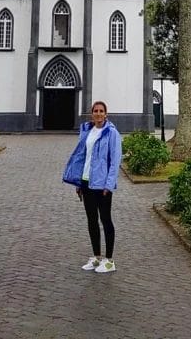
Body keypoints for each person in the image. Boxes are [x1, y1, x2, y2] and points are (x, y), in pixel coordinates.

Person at [62, 100, 122, 273]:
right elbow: (82, 157)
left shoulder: (112, 133)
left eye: (101, 111)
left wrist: (108, 185)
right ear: (92, 113)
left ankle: (109, 261)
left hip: (102, 184)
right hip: (87, 182)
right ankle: (96, 257)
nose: (98, 114)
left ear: (106, 113)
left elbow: (115, 161)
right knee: (91, 221)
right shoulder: (87, 131)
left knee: (106, 220)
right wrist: (78, 182)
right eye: (95, 111)